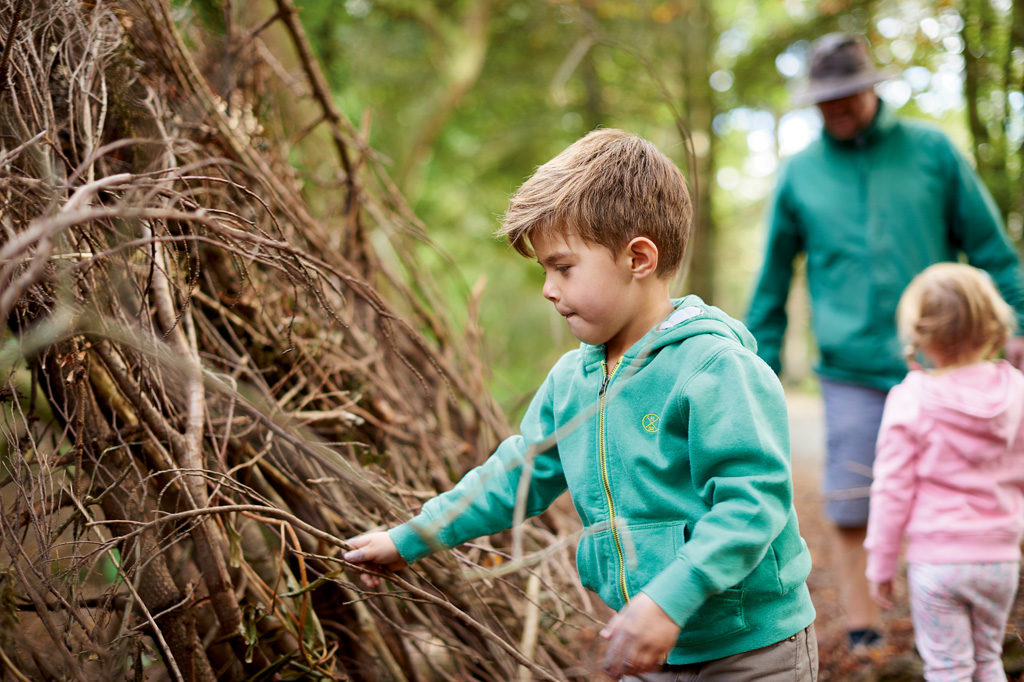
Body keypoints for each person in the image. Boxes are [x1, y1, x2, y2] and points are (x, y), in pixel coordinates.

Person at [344, 129, 818, 680]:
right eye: (544, 270)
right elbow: (516, 474)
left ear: (638, 258)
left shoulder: (713, 367)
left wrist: (669, 599)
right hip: (642, 642)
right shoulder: (573, 378)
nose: (548, 288)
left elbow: (753, 502)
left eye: (563, 267)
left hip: (752, 649)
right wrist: (410, 539)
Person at [745, 32, 1024, 650]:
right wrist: (754, 362)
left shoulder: (931, 151)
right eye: (823, 99)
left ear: (872, 86)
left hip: (943, 362)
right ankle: (865, 628)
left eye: (844, 94)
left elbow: (991, 252)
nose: (834, 108)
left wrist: (1019, 328)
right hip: (849, 366)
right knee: (851, 500)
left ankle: (972, 603)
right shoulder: (800, 175)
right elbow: (771, 279)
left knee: (976, 481)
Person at [865, 263, 1024, 681]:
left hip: (938, 564)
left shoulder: (911, 398)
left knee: (948, 667)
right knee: (988, 661)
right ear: (990, 323)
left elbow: (891, 489)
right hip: (1000, 561)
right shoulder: (1016, 391)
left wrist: (880, 565)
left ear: (921, 334)